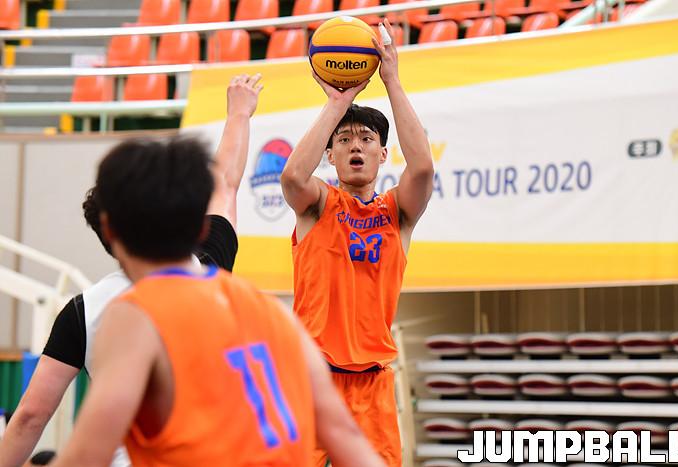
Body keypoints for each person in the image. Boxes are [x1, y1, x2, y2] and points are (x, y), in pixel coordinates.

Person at [50, 136, 384, 467]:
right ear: (201, 228)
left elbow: (87, 455)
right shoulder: (269, 310)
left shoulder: (135, 314)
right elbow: (345, 435)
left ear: (108, 230)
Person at [0, 74, 262, 467]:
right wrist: (239, 114)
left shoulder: (84, 311)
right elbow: (225, 184)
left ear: (107, 233)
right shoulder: (211, 270)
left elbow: (30, 417)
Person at [280, 19, 434, 467]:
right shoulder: (317, 205)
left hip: (372, 384)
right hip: (313, 379)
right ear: (330, 155)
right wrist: (338, 103)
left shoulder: (397, 212)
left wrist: (392, 81)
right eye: (344, 140)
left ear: (382, 155)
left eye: (367, 139)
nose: (356, 146)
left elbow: (423, 169)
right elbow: (292, 177)